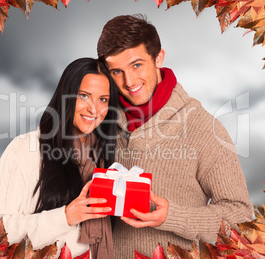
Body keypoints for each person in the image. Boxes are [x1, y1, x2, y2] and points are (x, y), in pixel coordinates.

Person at [97, 15, 254, 257]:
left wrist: (173, 217)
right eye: (117, 71)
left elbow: (240, 218)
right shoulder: (100, 122)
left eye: (137, 65)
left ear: (158, 57)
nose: (128, 82)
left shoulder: (202, 128)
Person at [0, 58, 119, 258]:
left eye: (103, 99)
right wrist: (65, 217)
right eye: (84, 96)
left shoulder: (103, 160)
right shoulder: (25, 149)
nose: (94, 109)